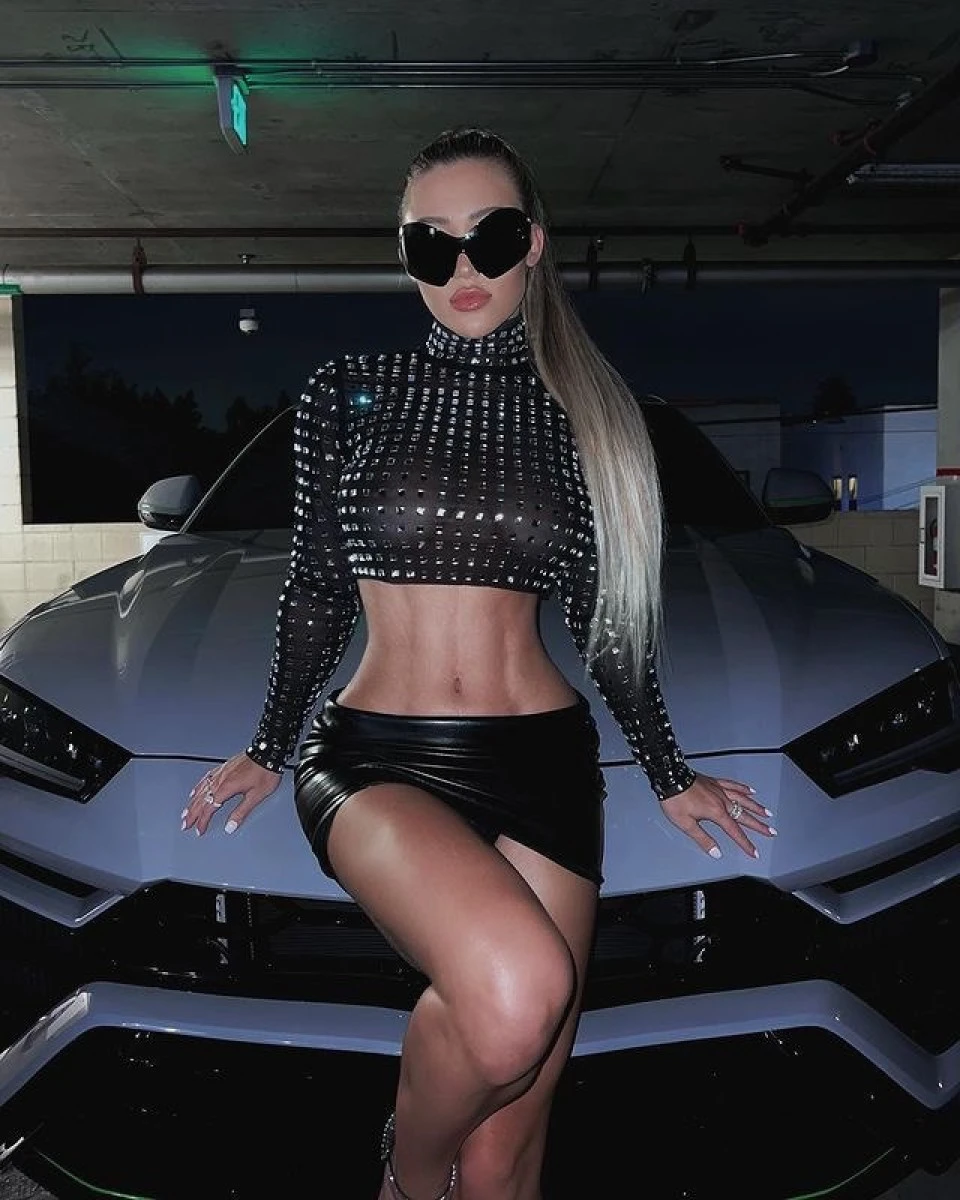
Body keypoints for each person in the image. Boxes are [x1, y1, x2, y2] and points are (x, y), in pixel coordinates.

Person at [182, 126, 775, 1200]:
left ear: (533, 242)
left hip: (545, 766)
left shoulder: (592, 416)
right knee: (514, 994)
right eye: (431, 242)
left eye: (489, 236)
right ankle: (406, 1180)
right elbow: (314, 588)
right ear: (404, 253)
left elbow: (608, 622)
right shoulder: (348, 390)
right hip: (376, 758)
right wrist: (269, 746)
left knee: (506, 1156)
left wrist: (668, 771)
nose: (462, 266)